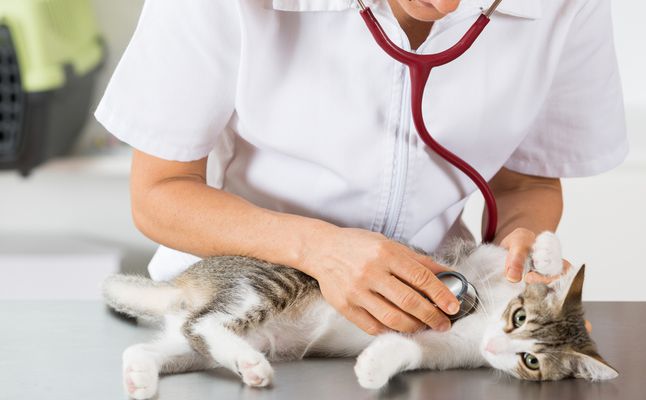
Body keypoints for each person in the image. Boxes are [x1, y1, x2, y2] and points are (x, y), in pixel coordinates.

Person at [95, 0, 627, 336]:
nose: (448, 5)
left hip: (423, 321)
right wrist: (320, 250)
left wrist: (518, 248)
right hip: (234, 315)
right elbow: (159, 193)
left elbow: (527, 182)